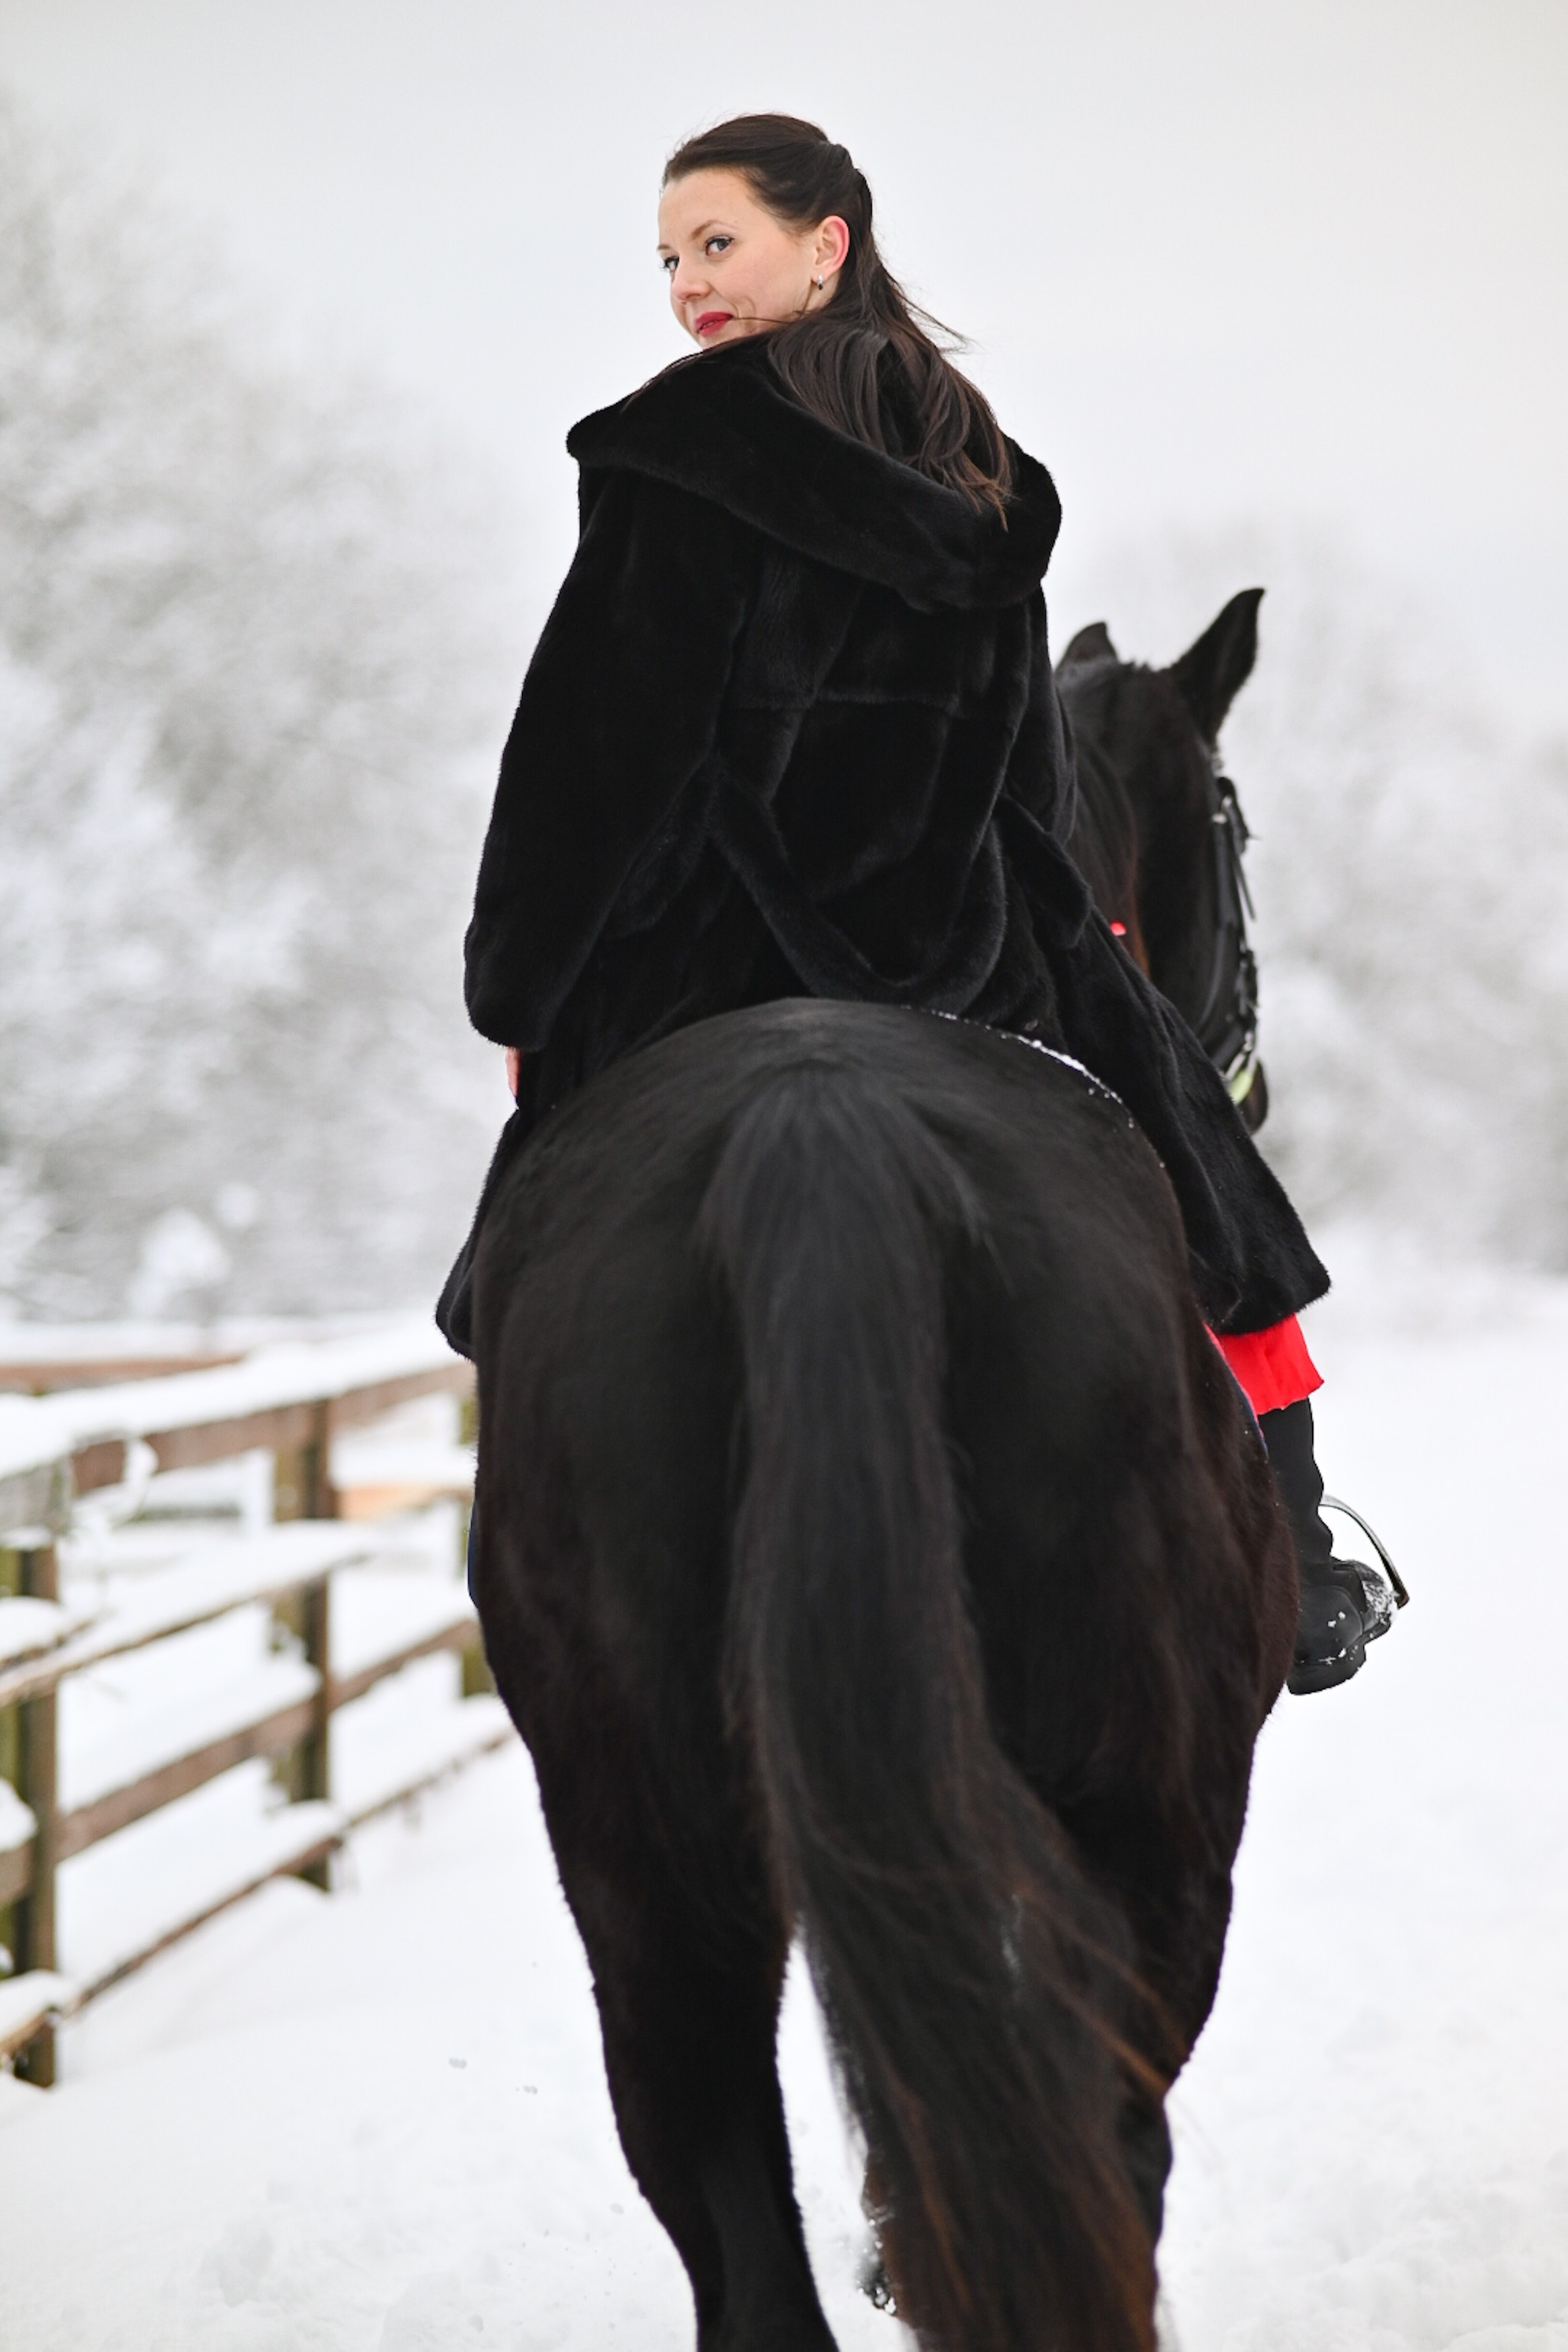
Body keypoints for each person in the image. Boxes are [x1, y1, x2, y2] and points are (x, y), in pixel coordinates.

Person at [441, 113, 1394, 1695]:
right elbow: (1024, 763)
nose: (687, 286)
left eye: (717, 244)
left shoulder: (663, 463)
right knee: (1198, 1180)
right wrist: (1059, 951)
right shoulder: (983, 475)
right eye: (669, 259)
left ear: (828, 242)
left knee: (534, 1272)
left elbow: (590, 762)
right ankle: (1291, 1549)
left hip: (708, 946)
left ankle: (540, 1571)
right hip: (968, 941)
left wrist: (524, 991)